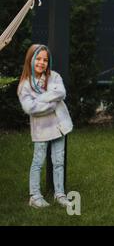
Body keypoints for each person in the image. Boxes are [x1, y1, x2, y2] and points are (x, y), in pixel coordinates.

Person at [17, 44, 73, 208]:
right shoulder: (25, 86)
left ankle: (60, 194)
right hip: (42, 129)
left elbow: (61, 93)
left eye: (45, 60)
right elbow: (31, 108)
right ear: (30, 60)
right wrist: (51, 102)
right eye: (38, 59)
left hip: (60, 126)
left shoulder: (54, 76)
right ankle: (34, 196)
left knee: (59, 161)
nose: (42, 62)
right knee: (38, 161)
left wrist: (41, 99)